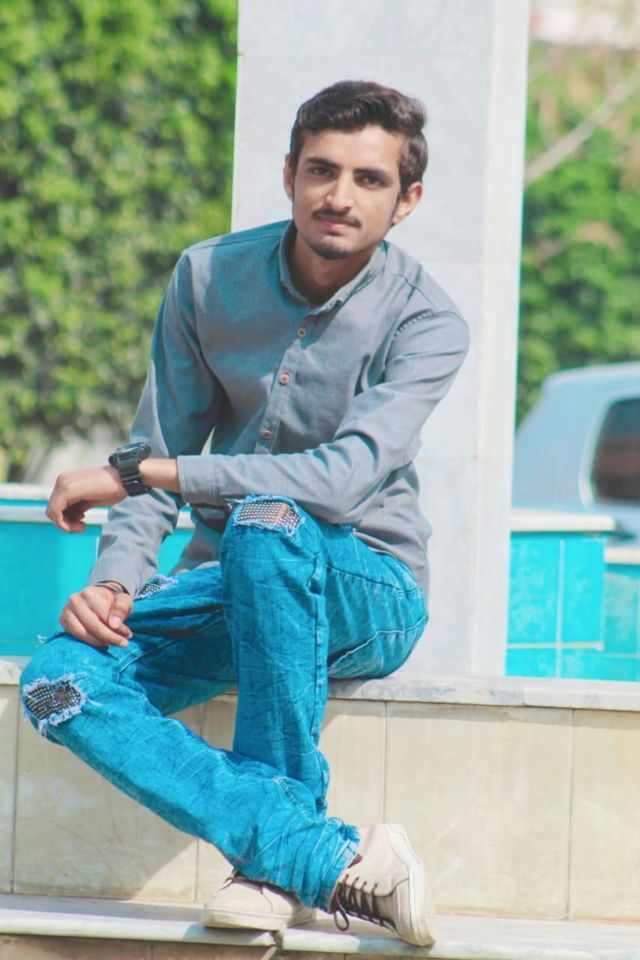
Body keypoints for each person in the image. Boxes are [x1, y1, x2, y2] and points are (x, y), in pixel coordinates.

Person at [19, 80, 468, 947]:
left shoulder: (427, 323)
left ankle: (274, 861)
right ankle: (311, 857)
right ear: (289, 173)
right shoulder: (208, 276)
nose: (339, 196)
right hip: (230, 582)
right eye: (322, 170)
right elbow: (161, 439)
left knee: (270, 522)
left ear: (406, 199)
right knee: (58, 681)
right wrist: (116, 582)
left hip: (368, 591)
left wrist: (144, 474)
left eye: (369, 180)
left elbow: (338, 482)